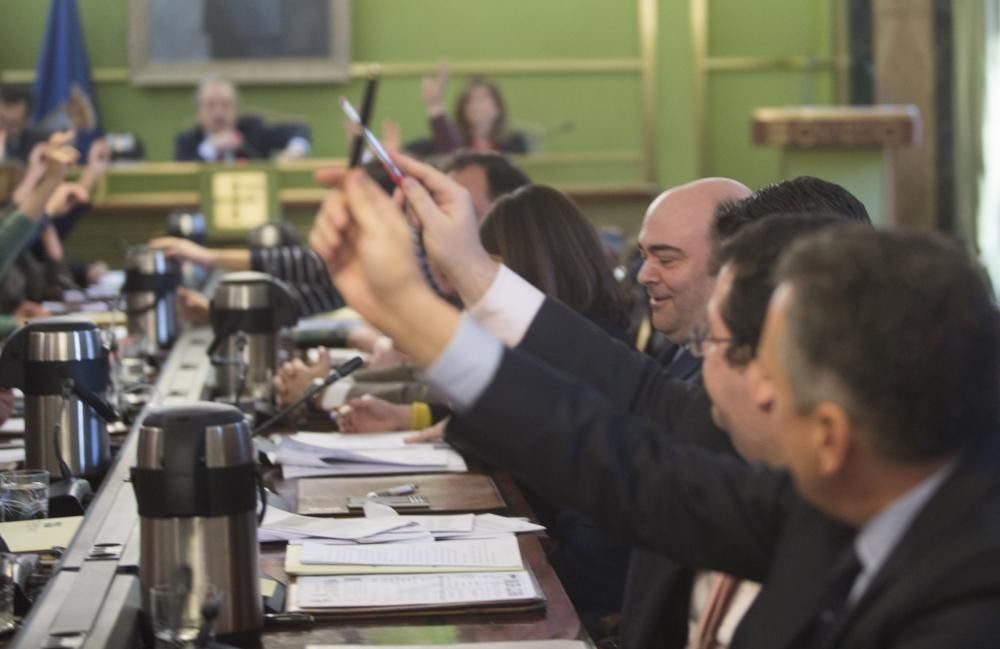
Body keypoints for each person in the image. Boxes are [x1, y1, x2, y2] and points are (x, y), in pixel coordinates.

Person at [310, 164, 1000, 648]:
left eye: (756, 360)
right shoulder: (835, 493)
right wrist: (415, 306)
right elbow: (615, 455)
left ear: (830, 434)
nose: (742, 380)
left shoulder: (963, 607)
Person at [174, 77, 311, 162]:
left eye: (226, 105)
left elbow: (299, 128)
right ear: (198, 111)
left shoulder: (253, 130)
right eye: (210, 106)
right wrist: (210, 147)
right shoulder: (187, 141)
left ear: (236, 109)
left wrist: (295, 151)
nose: (219, 113)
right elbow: (183, 179)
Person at [421, 64, 528, 155]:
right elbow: (454, 158)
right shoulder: (453, 140)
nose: (476, 106)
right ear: (463, 109)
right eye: (470, 100)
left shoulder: (515, 143)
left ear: (498, 108)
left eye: (483, 99)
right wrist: (434, 106)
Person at [0, 86, 47, 162]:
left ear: (27, 122)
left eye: (13, 124)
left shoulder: (39, 145)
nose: (5, 128)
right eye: (2, 121)